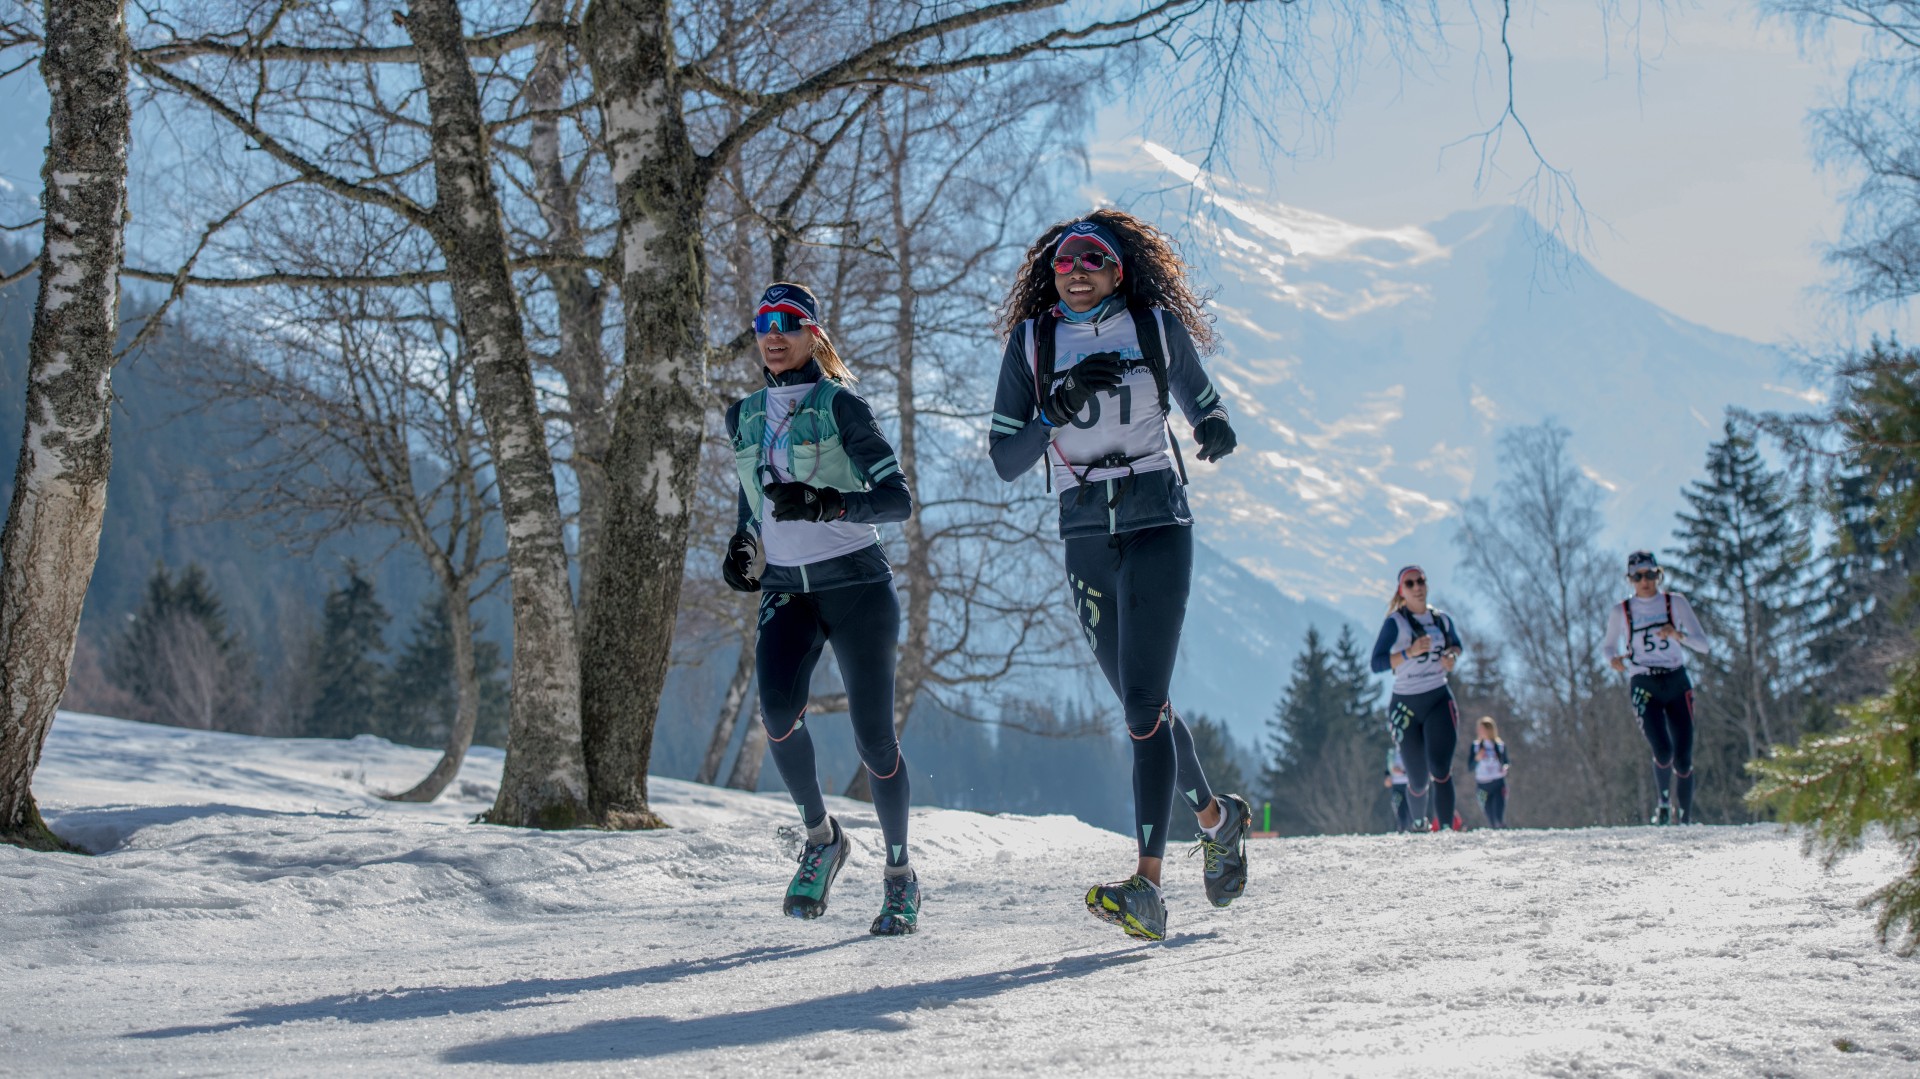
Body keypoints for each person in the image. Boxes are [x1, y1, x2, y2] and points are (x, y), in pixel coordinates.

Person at [988, 211, 1252, 942]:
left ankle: (1148, 886)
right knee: (1150, 706)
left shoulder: (1154, 327)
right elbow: (1005, 458)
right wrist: (1056, 409)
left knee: (1140, 707)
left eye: (1092, 260)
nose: (1075, 271)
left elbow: (1202, 398)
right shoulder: (1034, 343)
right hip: (1084, 531)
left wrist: (1214, 427)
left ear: (1119, 271)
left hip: (1158, 520)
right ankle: (1218, 820)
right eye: (1064, 262)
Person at [722, 282, 918, 935]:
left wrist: (828, 503)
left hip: (857, 582)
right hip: (786, 586)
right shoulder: (744, 414)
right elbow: (753, 499)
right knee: (776, 711)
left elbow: (896, 500)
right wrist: (743, 542)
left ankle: (898, 877)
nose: (773, 333)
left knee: (874, 739)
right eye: (762, 322)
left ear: (814, 334)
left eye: (788, 321)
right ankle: (822, 838)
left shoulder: (842, 405)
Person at [1602, 550, 1710, 825]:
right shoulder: (1622, 611)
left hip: (1676, 681)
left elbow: (1704, 645)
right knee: (1663, 750)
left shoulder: (1676, 603)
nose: (1645, 582)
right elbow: (1608, 646)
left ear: (1658, 575)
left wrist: (1677, 634)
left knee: (1683, 759)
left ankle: (1684, 818)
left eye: (1650, 575)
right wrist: (1613, 661)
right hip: (1644, 683)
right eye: (1638, 577)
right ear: (1630, 580)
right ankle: (1663, 803)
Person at [1370, 565, 1464, 833]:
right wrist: (1409, 653)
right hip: (1405, 705)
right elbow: (1376, 663)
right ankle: (1419, 823)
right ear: (1402, 591)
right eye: (1410, 584)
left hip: (1438, 698)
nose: (1417, 587)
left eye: (1421, 581)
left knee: (1441, 768)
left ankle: (1446, 830)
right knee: (1418, 777)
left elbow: (1456, 645)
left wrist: (1451, 658)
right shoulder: (1395, 623)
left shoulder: (1441, 620)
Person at [1469, 717, 1510, 828]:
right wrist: (1477, 758)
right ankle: (1496, 840)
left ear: (1490, 730)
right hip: (1482, 785)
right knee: (1489, 816)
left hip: (1498, 783)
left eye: (1482, 729)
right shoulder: (1475, 746)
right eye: (1479, 729)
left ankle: (1503, 835)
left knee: (1498, 816)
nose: (1480, 731)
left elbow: (1506, 762)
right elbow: (1470, 767)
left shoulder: (1499, 745)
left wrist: (1505, 768)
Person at [1385, 747, 1412, 833]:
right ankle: (1402, 828)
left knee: (1409, 807)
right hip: (1396, 786)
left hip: (1409, 785)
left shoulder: (1410, 751)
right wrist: (1387, 777)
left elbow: (1416, 768)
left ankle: (1413, 828)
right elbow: (1388, 770)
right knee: (1398, 806)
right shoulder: (1392, 754)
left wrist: (1403, 772)